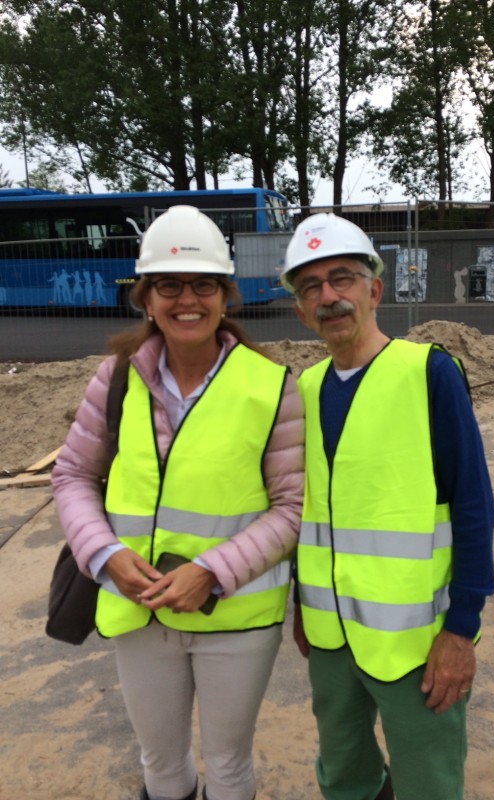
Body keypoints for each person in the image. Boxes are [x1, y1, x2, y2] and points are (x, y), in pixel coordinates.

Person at [52, 205, 304, 800]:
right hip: (138, 612)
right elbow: (72, 476)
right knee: (160, 763)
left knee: (227, 763)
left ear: (225, 297)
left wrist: (211, 573)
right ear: (146, 297)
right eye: (169, 285)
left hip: (235, 619)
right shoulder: (115, 379)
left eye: (204, 285)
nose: (186, 299)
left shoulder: (270, 387)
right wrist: (104, 553)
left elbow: (291, 509)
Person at [279, 213, 494, 800]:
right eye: (310, 287)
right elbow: (310, 512)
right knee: (345, 774)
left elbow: (475, 508)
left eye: (342, 278)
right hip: (329, 638)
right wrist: (303, 603)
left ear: (374, 290)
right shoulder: (305, 388)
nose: (328, 297)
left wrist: (462, 629)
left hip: (416, 644)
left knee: (427, 781)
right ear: (301, 310)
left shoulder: (428, 373)